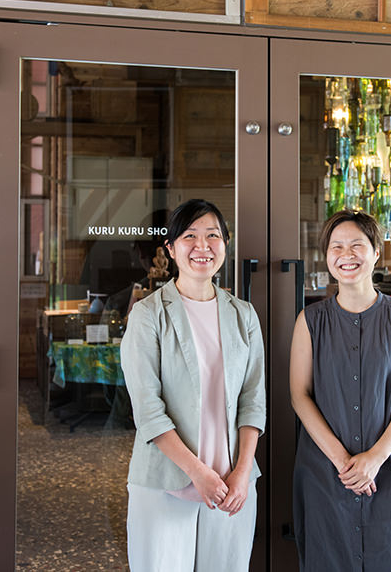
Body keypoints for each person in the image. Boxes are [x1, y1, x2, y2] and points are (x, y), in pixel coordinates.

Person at [120, 199, 266, 572]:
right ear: (170, 249)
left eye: (213, 236)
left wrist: (243, 471)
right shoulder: (148, 314)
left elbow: (253, 400)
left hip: (231, 483)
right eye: (190, 237)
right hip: (166, 481)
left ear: (225, 244)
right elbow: (149, 411)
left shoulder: (243, 315)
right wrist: (197, 473)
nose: (203, 247)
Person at [290, 209, 391, 571]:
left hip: (390, 467)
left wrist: (374, 458)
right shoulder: (310, 321)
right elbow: (299, 395)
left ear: (375, 252)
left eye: (357, 245)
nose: (346, 255)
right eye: (336, 247)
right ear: (326, 257)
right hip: (326, 473)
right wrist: (344, 462)